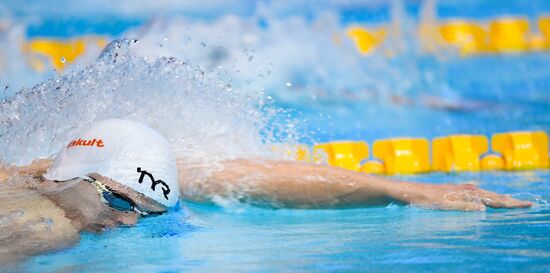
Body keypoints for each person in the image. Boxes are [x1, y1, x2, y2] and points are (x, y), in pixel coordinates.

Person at [0, 119, 531, 263]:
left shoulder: (94, 176)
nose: (126, 223)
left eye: (147, 213)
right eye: (117, 202)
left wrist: (405, 187)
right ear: (58, 179)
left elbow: (242, 175)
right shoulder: (40, 218)